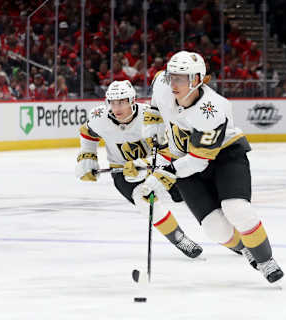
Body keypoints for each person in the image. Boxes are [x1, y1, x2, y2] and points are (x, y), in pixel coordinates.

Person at [145, 50, 283, 283]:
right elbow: (155, 107)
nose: (173, 83)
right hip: (183, 162)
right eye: (172, 76)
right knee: (214, 228)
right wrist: (153, 126)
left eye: (181, 78)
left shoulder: (213, 109)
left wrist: (167, 170)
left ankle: (266, 260)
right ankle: (245, 248)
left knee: (236, 208)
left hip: (224, 156)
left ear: (197, 80)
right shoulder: (161, 83)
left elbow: (199, 161)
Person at [75, 80, 203, 259]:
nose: (116, 107)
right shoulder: (99, 117)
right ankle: (179, 239)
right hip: (122, 172)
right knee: (145, 201)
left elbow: (167, 150)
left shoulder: (149, 115)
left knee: (190, 194)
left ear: (132, 101)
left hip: (157, 166)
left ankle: (226, 234)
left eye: (122, 102)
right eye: (112, 102)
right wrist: (87, 156)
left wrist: (144, 164)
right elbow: (88, 133)